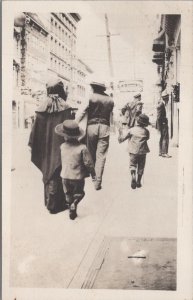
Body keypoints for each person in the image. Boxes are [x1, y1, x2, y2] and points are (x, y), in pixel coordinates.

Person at [28, 78, 74, 214]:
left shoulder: (41, 107)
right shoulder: (66, 107)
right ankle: (54, 205)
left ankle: (49, 201)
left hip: (44, 146)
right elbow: (70, 127)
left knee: (48, 170)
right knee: (57, 171)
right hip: (60, 144)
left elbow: (35, 130)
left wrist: (32, 144)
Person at [55, 120, 97, 220]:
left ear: (64, 136)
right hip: (77, 177)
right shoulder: (82, 147)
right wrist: (93, 174)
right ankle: (74, 203)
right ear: (77, 135)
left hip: (65, 175)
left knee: (68, 194)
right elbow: (88, 163)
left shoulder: (62, 146)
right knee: (80, 193)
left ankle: (71, 208)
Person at [76, 81, 114, 190]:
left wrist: (75, 124)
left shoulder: (90, 98)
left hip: (91, 127)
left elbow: (81, 112)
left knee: (90, 153)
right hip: (105, 127)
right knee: (101, 155)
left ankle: (92, 176)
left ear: (93, 88)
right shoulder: (110, 100)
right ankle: (98, 182)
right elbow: (111, 117)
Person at [118, 114, 150, 189]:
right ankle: (139, 181)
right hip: (143, 152)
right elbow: (147, 138)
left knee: (132, 165)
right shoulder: (146, 131)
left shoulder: (131, 130)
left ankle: (133, 176)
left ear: (137, 121)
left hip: (133, 151)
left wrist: (120, 133)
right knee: (141, 167)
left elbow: (121, 140)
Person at [156, 90, 171, 158]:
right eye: (167, 98)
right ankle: (164, 152)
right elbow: (159, 117)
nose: (168, 99)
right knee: (165, 138)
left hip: (162, 123)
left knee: (162, 138)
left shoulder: (161, 104)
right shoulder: (161, 105)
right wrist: (160, 125)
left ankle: (160, 152)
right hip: (163, 124)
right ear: (165, 98)